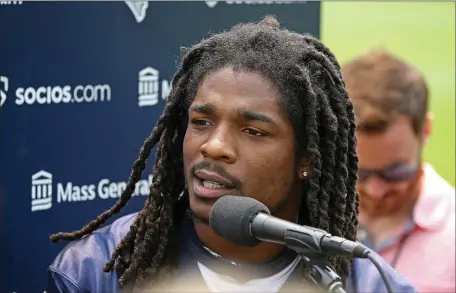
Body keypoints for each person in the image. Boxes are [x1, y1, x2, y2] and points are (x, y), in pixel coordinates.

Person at [45, 17, 416, 293]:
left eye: (253, 131)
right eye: (202, 122)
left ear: (307, 159)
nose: (214, 146)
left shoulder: (370, 285)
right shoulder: (93, 271)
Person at [342, 49, 455, 292]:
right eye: (358, 173)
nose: (376, 191)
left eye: (395, 172)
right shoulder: (300, 218)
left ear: (425, 130)